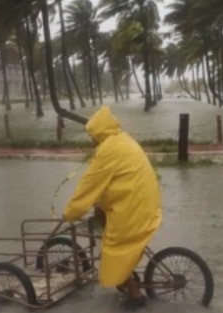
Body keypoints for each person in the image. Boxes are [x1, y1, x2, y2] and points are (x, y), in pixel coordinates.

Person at [62, 106, 162, 308]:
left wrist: (70, 214)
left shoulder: (107, 151)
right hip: (146, 203)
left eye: (92, 135)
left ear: (99, 132)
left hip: (133, 209)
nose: (91, 139)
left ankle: (135, 295)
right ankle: (127, 272)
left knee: (112, 250)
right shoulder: (122, 139)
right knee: (100, 211)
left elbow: (88, 187)